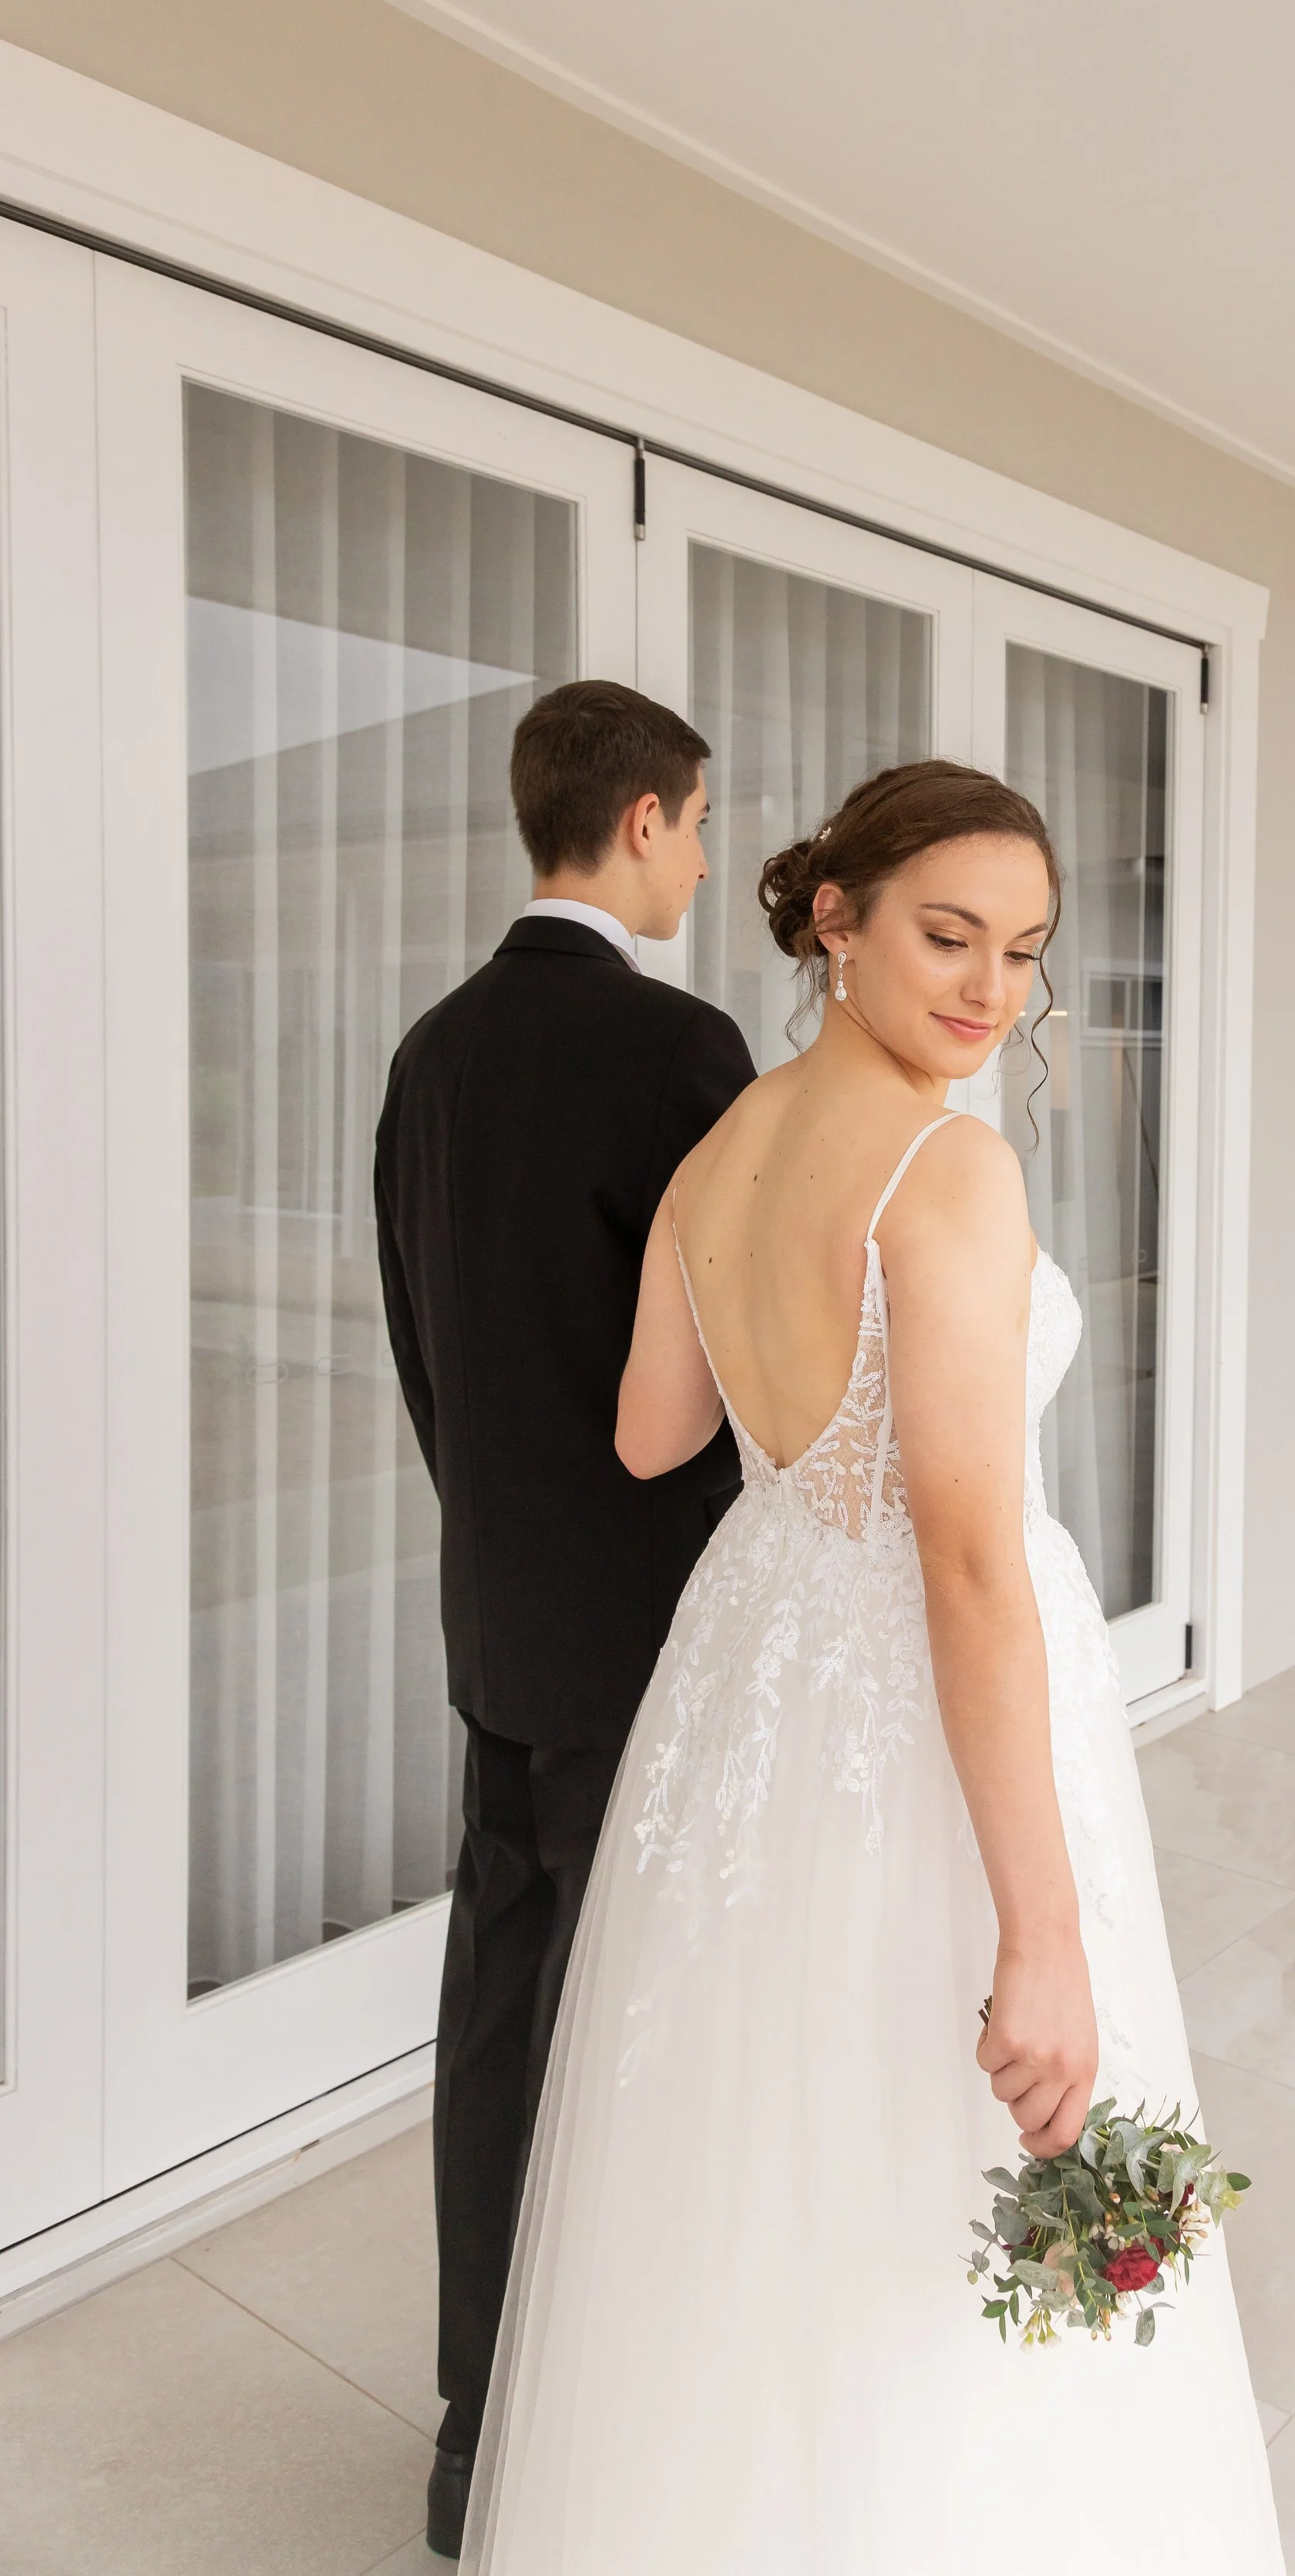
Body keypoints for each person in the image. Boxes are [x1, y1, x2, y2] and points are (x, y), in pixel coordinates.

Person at [462, 758, 1283, 2573]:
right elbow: (972, 1561)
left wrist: (794, 1425)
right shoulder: (948, 1163)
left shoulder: (721, 1145)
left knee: (762, 2144)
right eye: (945, 935)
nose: (990, 990)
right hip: (916, 1696)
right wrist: (1046, 1931)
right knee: (936, 2143)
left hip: (749, 1683)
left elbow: (651, 1435)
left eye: (1023, 951)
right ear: (833, 921)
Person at [375, 681, 755, 2560]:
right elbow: (748, 1369)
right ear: (644, 820)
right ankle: (622, 2454)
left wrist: (498, 1540)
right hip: (650, 1637)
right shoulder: (678, 1046)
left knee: (501, 2023)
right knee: (654, 2033)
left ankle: (476, 2441)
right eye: (694, 825)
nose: (697, 855)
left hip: (497, 1619)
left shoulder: (431, 1050)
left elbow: (422, 1348)